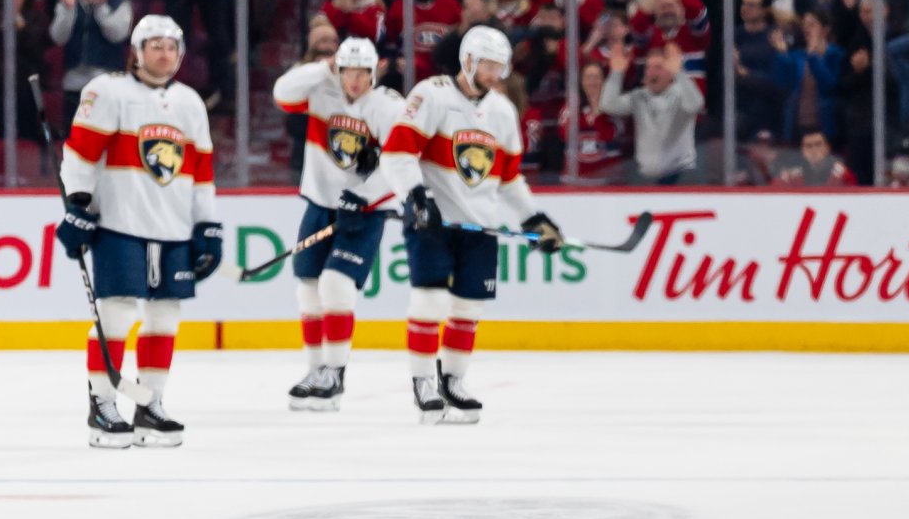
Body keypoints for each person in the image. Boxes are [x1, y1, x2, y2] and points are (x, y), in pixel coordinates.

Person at [381, 24, 564, 423]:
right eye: (486, 64)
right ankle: (423, 381)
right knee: (429, 300)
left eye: (499, 66)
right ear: (467, 60)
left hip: (479, 228)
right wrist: (416, 197)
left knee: (469, 306)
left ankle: (453, 380)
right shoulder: (431, 95)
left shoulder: (502, 111)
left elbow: (509, 179)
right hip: (433, 222)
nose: (493, 73)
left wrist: (535, 218)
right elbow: (396, 154)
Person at [54, 12, 218, 448]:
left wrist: (208, 225)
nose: (164, 54)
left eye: (171, 47)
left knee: (165, 315)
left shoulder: (190, 103)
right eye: (155, 46)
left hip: (174, 229)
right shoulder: (107, 91)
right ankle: (102, 405)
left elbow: (201, 173)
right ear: (137, 51)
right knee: (117, 313)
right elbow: (80, 154)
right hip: (120, 224)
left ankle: (151, 405)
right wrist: (78, 204)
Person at [269, 36, 404, 410]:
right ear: (338, 69)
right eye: (348, 72)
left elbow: (401, 161)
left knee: (336, 285)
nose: (356, 81)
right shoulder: (320, 91)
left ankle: (335, 373)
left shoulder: (389, 106)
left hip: (364, 212)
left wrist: (363, 195)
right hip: (320, 204)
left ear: (375, 71)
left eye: (363, 72)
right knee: (308, 289)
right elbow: (282, 93)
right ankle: (316, 372)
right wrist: (322, 66)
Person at [599, 39, 706, 184]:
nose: (652, 72)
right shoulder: (639, 96)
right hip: (646, 177)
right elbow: (608, 105)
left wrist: (679, 73)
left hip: (681, 176)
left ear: (670, 71)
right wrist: (616, 73)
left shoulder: (681, 93)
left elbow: (696, 104)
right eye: (649, 67)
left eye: (658, 67)